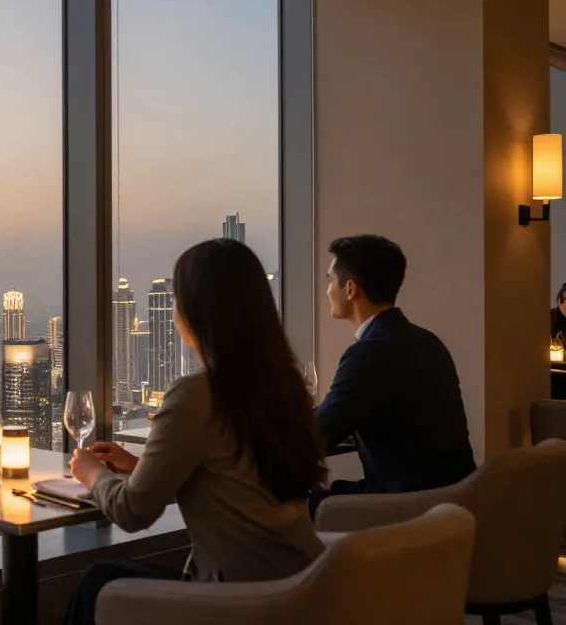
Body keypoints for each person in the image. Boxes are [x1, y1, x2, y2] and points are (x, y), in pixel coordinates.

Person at [64, 239, 326, 625]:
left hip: (245, 600)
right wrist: (143, 466)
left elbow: (133, 512)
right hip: (306, 586)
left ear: (196, 312)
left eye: (175, 298)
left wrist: (92, 472)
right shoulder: (281, 386)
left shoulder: (196, 394)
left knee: (98, 582)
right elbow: (233, 475)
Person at [311, 234, 475, 517]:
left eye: (329, 281)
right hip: (452, 501)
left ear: (350, 289)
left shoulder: (369, 352)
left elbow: (315, 435)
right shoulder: (427, 341)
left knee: (288, 506)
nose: (327, 291)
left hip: (404, 508)